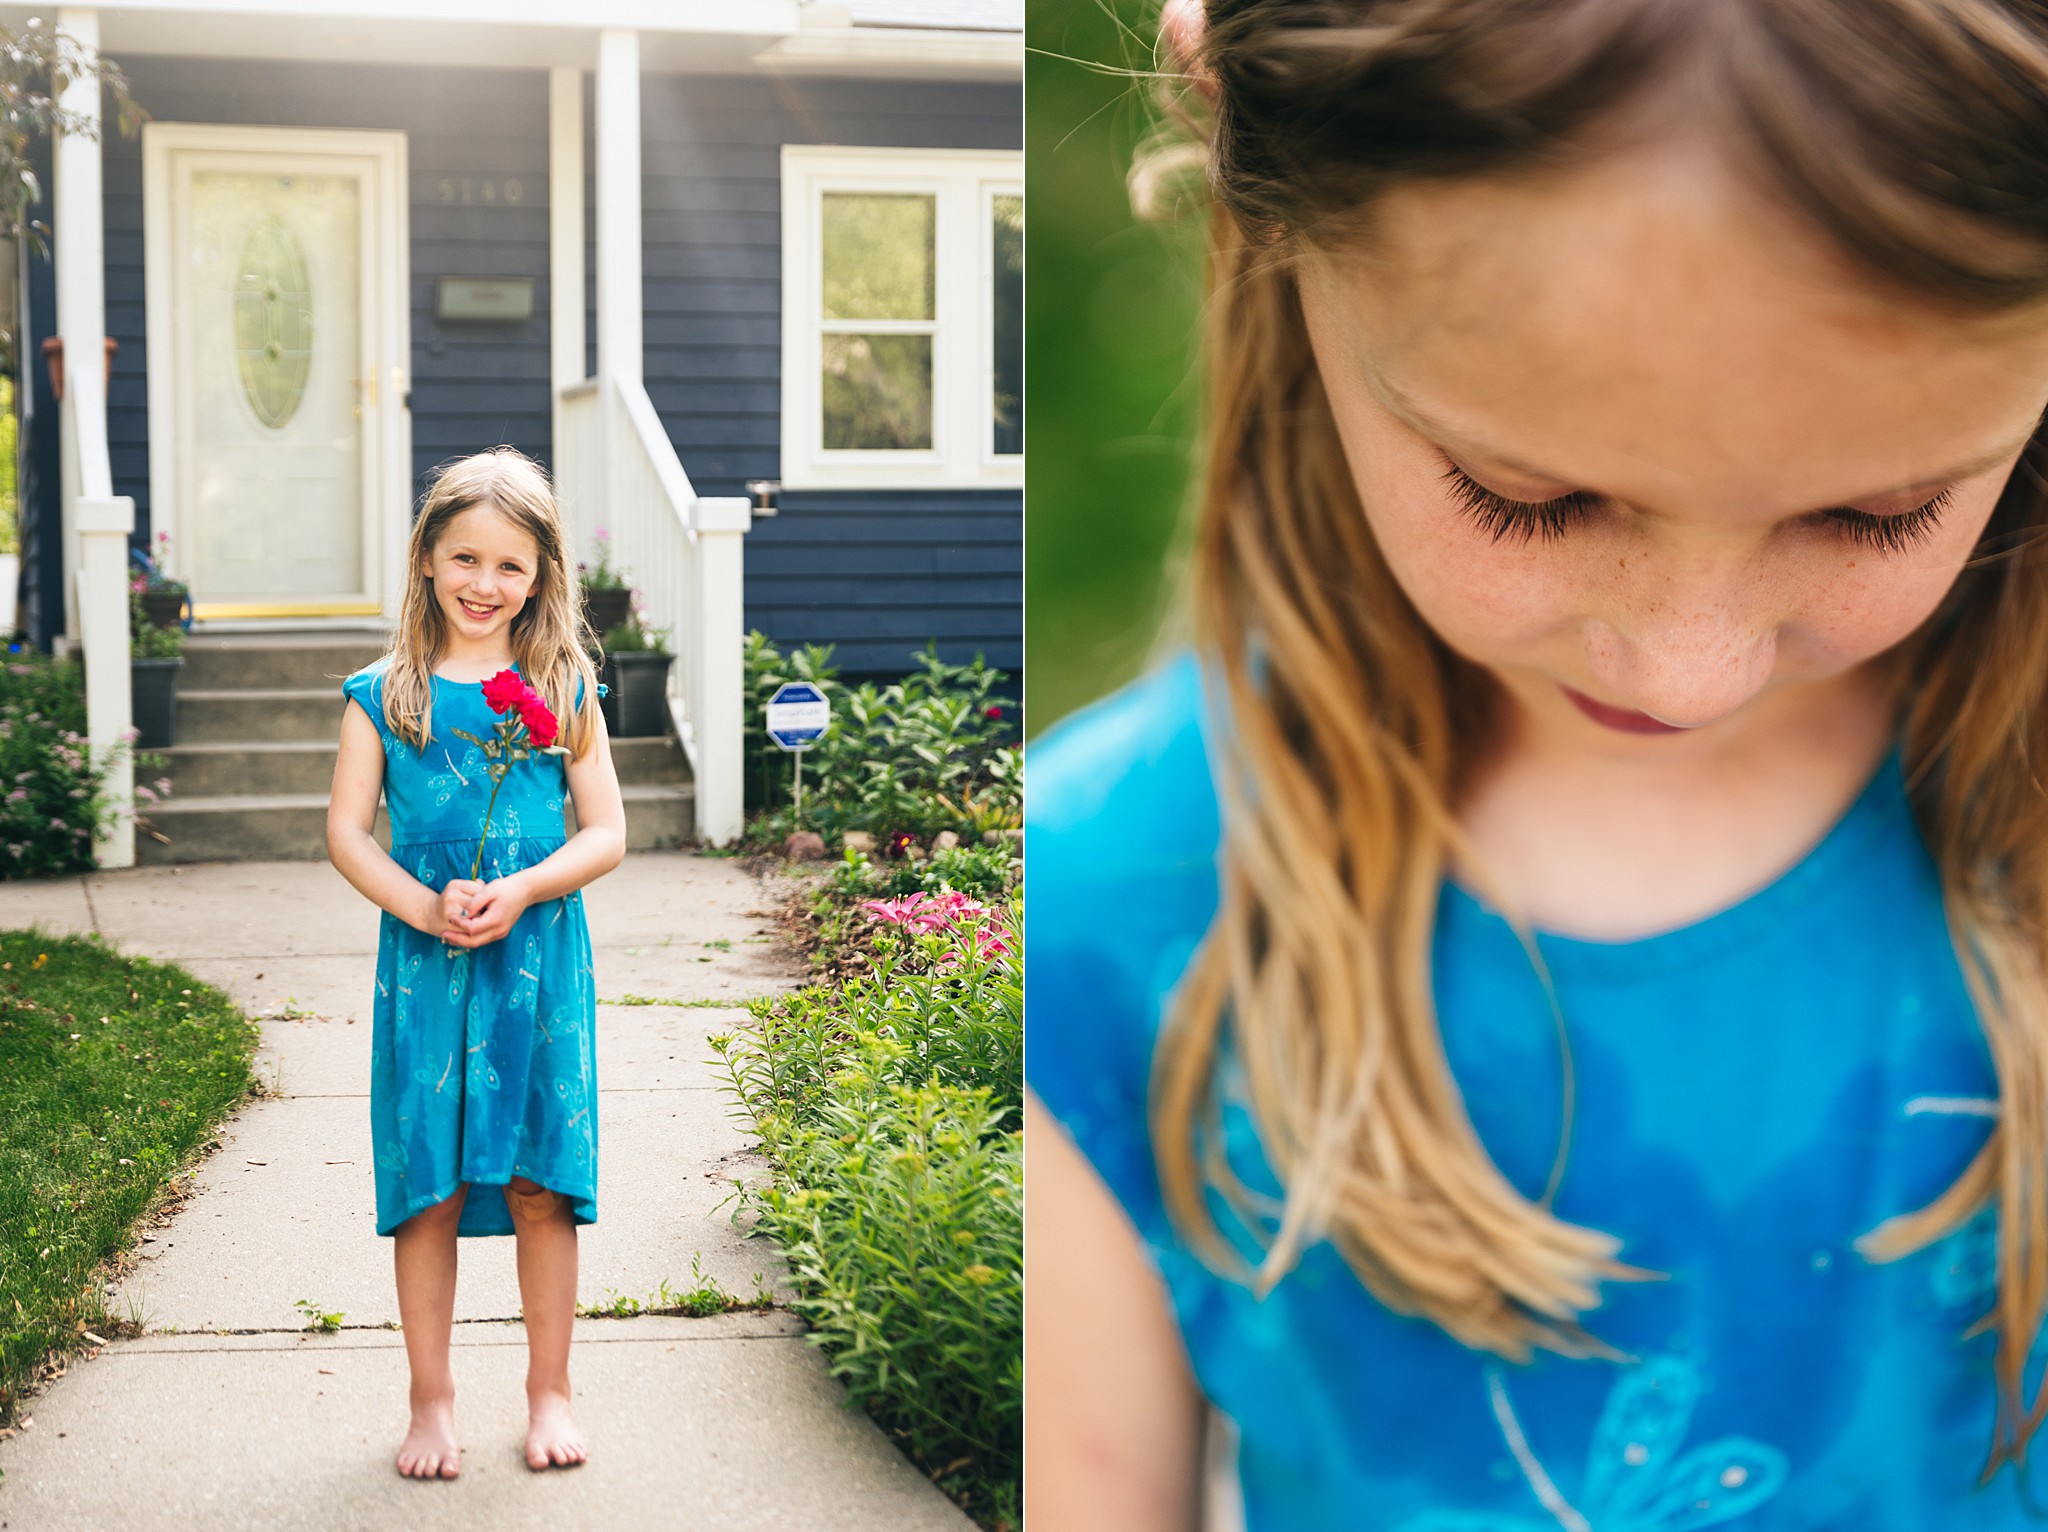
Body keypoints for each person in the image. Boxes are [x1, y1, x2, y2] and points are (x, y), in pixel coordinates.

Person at [1025, 1, 2048, 1526]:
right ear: (1260, 182)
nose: (1687, 668)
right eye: (1529, 498)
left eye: (1877, 514)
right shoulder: (1104, 902)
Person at [327, 448, 626, 1480]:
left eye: (509, 564)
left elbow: (605, 832)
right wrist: (424, 902)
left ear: (540, 575)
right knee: (433, 1186)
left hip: (536, 967)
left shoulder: (561, 686)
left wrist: (528, 886)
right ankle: (431, 1396)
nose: (483, 583)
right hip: (428, 969)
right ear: (425, 558)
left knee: (543, 1178)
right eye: (464, 558)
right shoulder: (385, 694)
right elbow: (345, 832)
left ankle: (550, 1387)